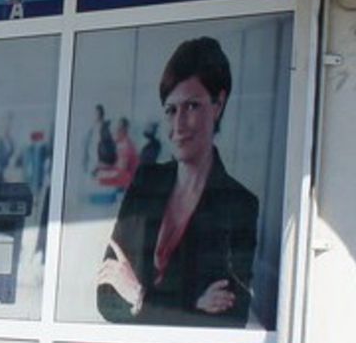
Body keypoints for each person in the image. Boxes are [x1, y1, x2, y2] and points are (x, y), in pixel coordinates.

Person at [95, 36, 259, 327]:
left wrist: (140, 296)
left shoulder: (238, 204)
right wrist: (192, 304)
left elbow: (231, 317)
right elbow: (108, 297)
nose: (179, 124)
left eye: (192, 106)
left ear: (218, 104)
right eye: (171, 110)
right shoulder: (146, 181)